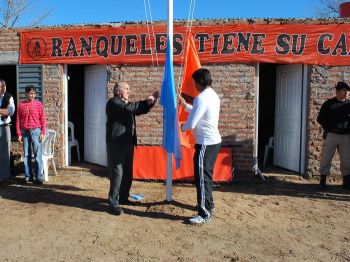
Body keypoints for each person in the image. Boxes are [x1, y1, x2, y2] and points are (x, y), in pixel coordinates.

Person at [106, 81, 159, 216]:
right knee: (117, 174)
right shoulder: (113, 103)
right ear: (118, 91)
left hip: (128, 143)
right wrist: (148, 100)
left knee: (128, 173)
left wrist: (152, 102)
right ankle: (113, 203)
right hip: (117, 144)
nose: (129, 91)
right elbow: (131, 108)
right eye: (126, 89)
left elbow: (139, 109)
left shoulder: (125, 105)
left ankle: (123, 198)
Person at [179, 68, 222, 224]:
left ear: (198, 82)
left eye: (194, 82)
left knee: (202, 178)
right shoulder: (212, 95)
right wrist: (186, 106)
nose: (194, 85)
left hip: (205, 143)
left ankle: (204, 213)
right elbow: (201, 112)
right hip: (213, 142)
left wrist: (181, 127)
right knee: (206, 176)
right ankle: (208, 204)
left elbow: (191, 123)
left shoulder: (201, 98)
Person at [317, 81, 350, 190]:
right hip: (331, 134)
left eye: (347, 91)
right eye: (343, 91)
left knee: (346, 159)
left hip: (346, 136)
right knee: (326, 158)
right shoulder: (329, 104)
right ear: (337, 92)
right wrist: (328, 128)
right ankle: (322, 180)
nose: (346, 93)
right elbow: (320, 119)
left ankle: (346, 182)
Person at [16, 85, 47, 184]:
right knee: (26, 155)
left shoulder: (38, 104)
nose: (32, 95)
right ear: (26, 94)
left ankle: (38, 176)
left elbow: (43, 119)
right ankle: (28, 176)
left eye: (34, 93)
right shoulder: (21, 105)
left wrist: (43, 132)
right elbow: (17, 121)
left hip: (36, 131)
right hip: (25, 132)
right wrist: (19, 134)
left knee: (38, 155)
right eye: (30, 93)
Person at [0, 79, 15, 183]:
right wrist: (3, 111)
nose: (3, 88)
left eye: (4, 86)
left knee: (5, 153)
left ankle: (5, 176)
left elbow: (10, 111)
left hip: (5, 127)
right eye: (1, 86)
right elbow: (5, 111)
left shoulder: (9, 96)